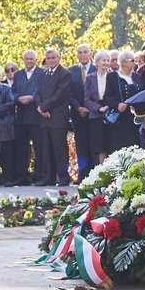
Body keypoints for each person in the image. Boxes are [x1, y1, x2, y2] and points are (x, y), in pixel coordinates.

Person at [35, 48, 73, 185]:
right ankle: (48, 178)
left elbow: (60, 95)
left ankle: (63, 177)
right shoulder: (43, 74)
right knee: (46, 149)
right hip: (44, 117)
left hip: (57, 117)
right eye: (48, 58)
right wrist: (40, 108)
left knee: (59, 148)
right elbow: (37, 93)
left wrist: (44, 107)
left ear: (58, 58)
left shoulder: (65, 74)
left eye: (53, 58)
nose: (51, 60)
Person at [10, 49, 44, 185]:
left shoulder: (42, 73)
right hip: (22, 115)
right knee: (22, 147)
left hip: (36, 115)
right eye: (27, 59)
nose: (29, 61)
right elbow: (13, 92)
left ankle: (39, 175)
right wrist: (19, 98)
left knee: (39, 147)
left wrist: (33, 98)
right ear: (23, 60)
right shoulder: (18, 75)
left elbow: (43, 91)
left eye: (31, 59)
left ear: (36, 60)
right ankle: (22, 176)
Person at [83, 49, 121, 168]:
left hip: (112, 112)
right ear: (97, 62)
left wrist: (109, 107)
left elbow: (116, 95)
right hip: (96, 113)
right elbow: (87, 99)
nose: (106, 63)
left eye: (108, 60)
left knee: (112, 143)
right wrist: (99, 108)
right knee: (99, 145)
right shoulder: (90, 78)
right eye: (103, 60)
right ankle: (101, 171)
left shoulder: (114, 76)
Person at [68, 43, 95, 179]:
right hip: (77, 113)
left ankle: (95, 175)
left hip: (94, 114)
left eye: (85, 52)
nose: (83, 54)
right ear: (77, 55)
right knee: (81, 145)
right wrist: (78, 107)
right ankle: (83, 176)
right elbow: (68, 93)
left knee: (94, 144)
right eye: (80, 52)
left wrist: (90, 107)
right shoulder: (71, 71)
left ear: (91, 54)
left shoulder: (98, 69)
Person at [112, 49, 143, 150]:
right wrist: (117, 105)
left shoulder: (137, 76)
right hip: (122, 117)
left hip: (137, 115)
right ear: (124, 62)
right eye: (133, 60)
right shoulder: (113, 77)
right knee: (124, 144)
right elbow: (107, 97)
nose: (135, 63)